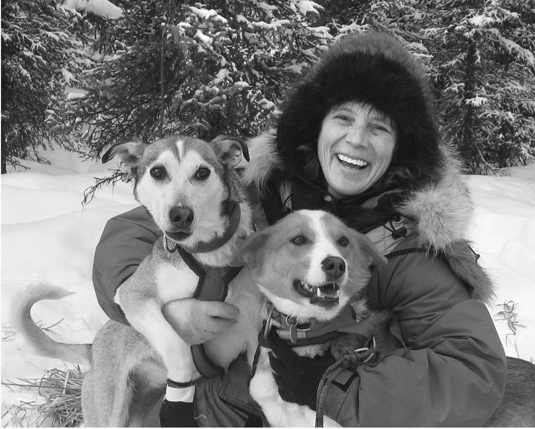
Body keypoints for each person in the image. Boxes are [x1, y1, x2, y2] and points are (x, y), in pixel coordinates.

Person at [93, 31, 506, 426]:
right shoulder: (257, 187)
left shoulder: (413, 246)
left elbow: (473, 373)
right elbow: (134, 235)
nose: (357, 139)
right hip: (214, 403)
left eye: (379, 127)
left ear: (401, 147)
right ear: (316, 125)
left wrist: (334, 387)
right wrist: (159, 309)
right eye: (342, 117)